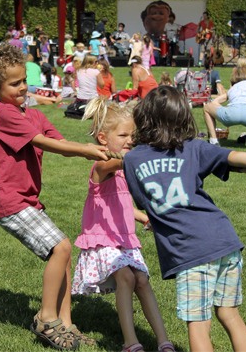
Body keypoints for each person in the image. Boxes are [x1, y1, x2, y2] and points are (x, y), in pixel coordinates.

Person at [124, 85, 246, 352]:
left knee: (198, 323)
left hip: (190, 251)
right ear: (184, 117)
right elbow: (235, 155)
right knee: (229, 314)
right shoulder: (195, 148)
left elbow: (143, 202)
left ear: (143, 117)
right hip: (224, 240)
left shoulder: (133, 159)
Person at [0, 43, 108, 350]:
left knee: (63, 255)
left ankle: (66, 324)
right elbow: (44, 143)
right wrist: (85, 151)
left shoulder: (30, 113)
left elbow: (57, 139)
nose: (23, 87)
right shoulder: (6, 115)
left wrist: (95, 145)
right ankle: (46, 319)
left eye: (23, 80)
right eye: (14, 83)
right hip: (9, 201)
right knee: (60, 247)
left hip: (26, 199)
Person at [72, 97, 175, 352]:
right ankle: (131, 342)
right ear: (103, 138)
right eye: (123, 134)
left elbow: (123, 202)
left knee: (142, 279)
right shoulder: (103, 166)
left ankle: (163, 341)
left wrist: (143, 216)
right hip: (103, 238)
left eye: (133, 134)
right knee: (126, 277)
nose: (130, 139)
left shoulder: (121, 172)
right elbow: (119, 163)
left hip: (124, 238)